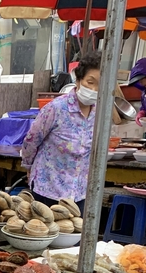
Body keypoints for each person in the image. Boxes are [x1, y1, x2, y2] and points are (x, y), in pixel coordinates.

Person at [20, 50, 102, 209]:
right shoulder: (56, 108)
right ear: (78, 80)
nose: (94, 89)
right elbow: (31, 140)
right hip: (48, 189)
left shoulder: (99, 112)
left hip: (80, 192)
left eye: (100, 85)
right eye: (90, 82)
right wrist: (28, 167)